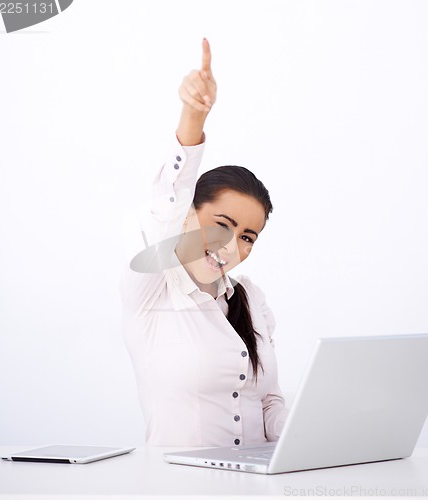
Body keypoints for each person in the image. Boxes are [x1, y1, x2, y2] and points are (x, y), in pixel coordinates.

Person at [121, 39, 288, 447]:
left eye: (247, 236)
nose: (231, 246)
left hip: (256, 482)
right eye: (221, 225)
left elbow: (268, 402)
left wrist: (314, 429)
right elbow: (167, 200)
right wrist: (194, 114)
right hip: (178, 485)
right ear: (190, 216)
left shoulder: (251, 298)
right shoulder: (150, 287)